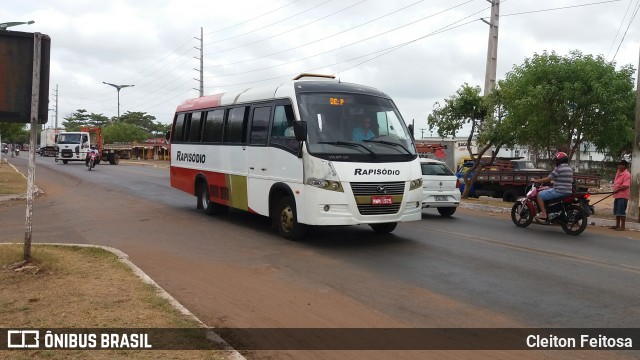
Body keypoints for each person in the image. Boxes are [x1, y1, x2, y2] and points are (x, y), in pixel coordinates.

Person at [531, 151, 574, 221]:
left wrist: (536, 180)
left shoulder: (558, 168)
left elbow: (548, 179)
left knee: (539, 195)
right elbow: (563, 179)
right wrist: (554, 181)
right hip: (568, 191)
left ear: (559, 160)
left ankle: (544, 214)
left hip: (559, 191)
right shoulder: (570, 169)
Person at [611, 159, 631, 231]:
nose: (618, 166)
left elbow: (626, 185)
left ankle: (622, 227)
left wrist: (618, 189)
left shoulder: (627, 174)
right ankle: (617, 225)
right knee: (617, 211)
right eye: (618, 164)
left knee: (621, 211)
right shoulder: (618, 172)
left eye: (620, 164)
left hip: (623, 195)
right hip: (617, 194)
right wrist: (615, 190)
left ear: (624, 166)